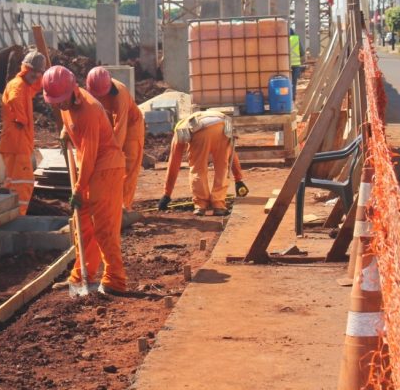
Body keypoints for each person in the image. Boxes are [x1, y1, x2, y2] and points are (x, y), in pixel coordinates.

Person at [42, 65, 127, 295]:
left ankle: (115, 280)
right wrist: (65, 133)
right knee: (83, 226)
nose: (59, 105)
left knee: (104, 227)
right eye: (55, 101)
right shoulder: (65, 104)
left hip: (106, 168)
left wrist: (79, 188)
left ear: (73, 90)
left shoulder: (89, 109)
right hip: (90, 168)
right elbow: (77, 138)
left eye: (61, 99)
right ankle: (81, 277)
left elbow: (90, 154)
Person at [157, 110, 247, 216]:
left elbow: (174, 163)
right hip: (223, 125)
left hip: (201, 132)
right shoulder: (193, 121)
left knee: (197, 169)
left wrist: (167, 194)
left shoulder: (180, 129)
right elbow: (231, 154)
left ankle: (201, 205)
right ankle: (218, 205)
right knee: (222, 167)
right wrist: (238, 180)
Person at [85, 66, 146, 212]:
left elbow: (121, 127)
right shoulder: (93, 87)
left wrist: (112, 153)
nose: (99, 98)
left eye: (101, 95)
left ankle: (124, 206)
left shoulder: (120, 95)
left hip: (131, 126)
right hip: (111, 123)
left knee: (129, 167)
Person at [0, 50, 46, 215]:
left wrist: (47, 79)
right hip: (17, 144)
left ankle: (10, 215)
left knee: (13, 183)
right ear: (26, 69)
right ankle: (19, 217)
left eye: (39, 73)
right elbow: (14, 99)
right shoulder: (18, 85)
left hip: (15, 143)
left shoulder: (24, 85)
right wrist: (21, 119)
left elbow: (35, 87)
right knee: (23, 183)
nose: (36, 75)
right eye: (34, 71)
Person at [289, 28, 304, 93]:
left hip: (285, 65)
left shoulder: (282, 39)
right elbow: (302, 53)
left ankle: (288, 96)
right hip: (296, 65)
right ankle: (293, 96)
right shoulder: (296, 39)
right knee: (294, 82)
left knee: (286, 82)